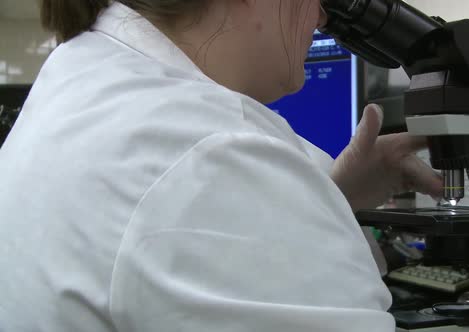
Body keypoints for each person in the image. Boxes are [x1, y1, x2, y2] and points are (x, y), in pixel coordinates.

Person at [0, 1, 443, 331]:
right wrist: (279, 204)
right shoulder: (214, 154)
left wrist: (329, 198)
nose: (323, 16)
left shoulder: (79, 76)